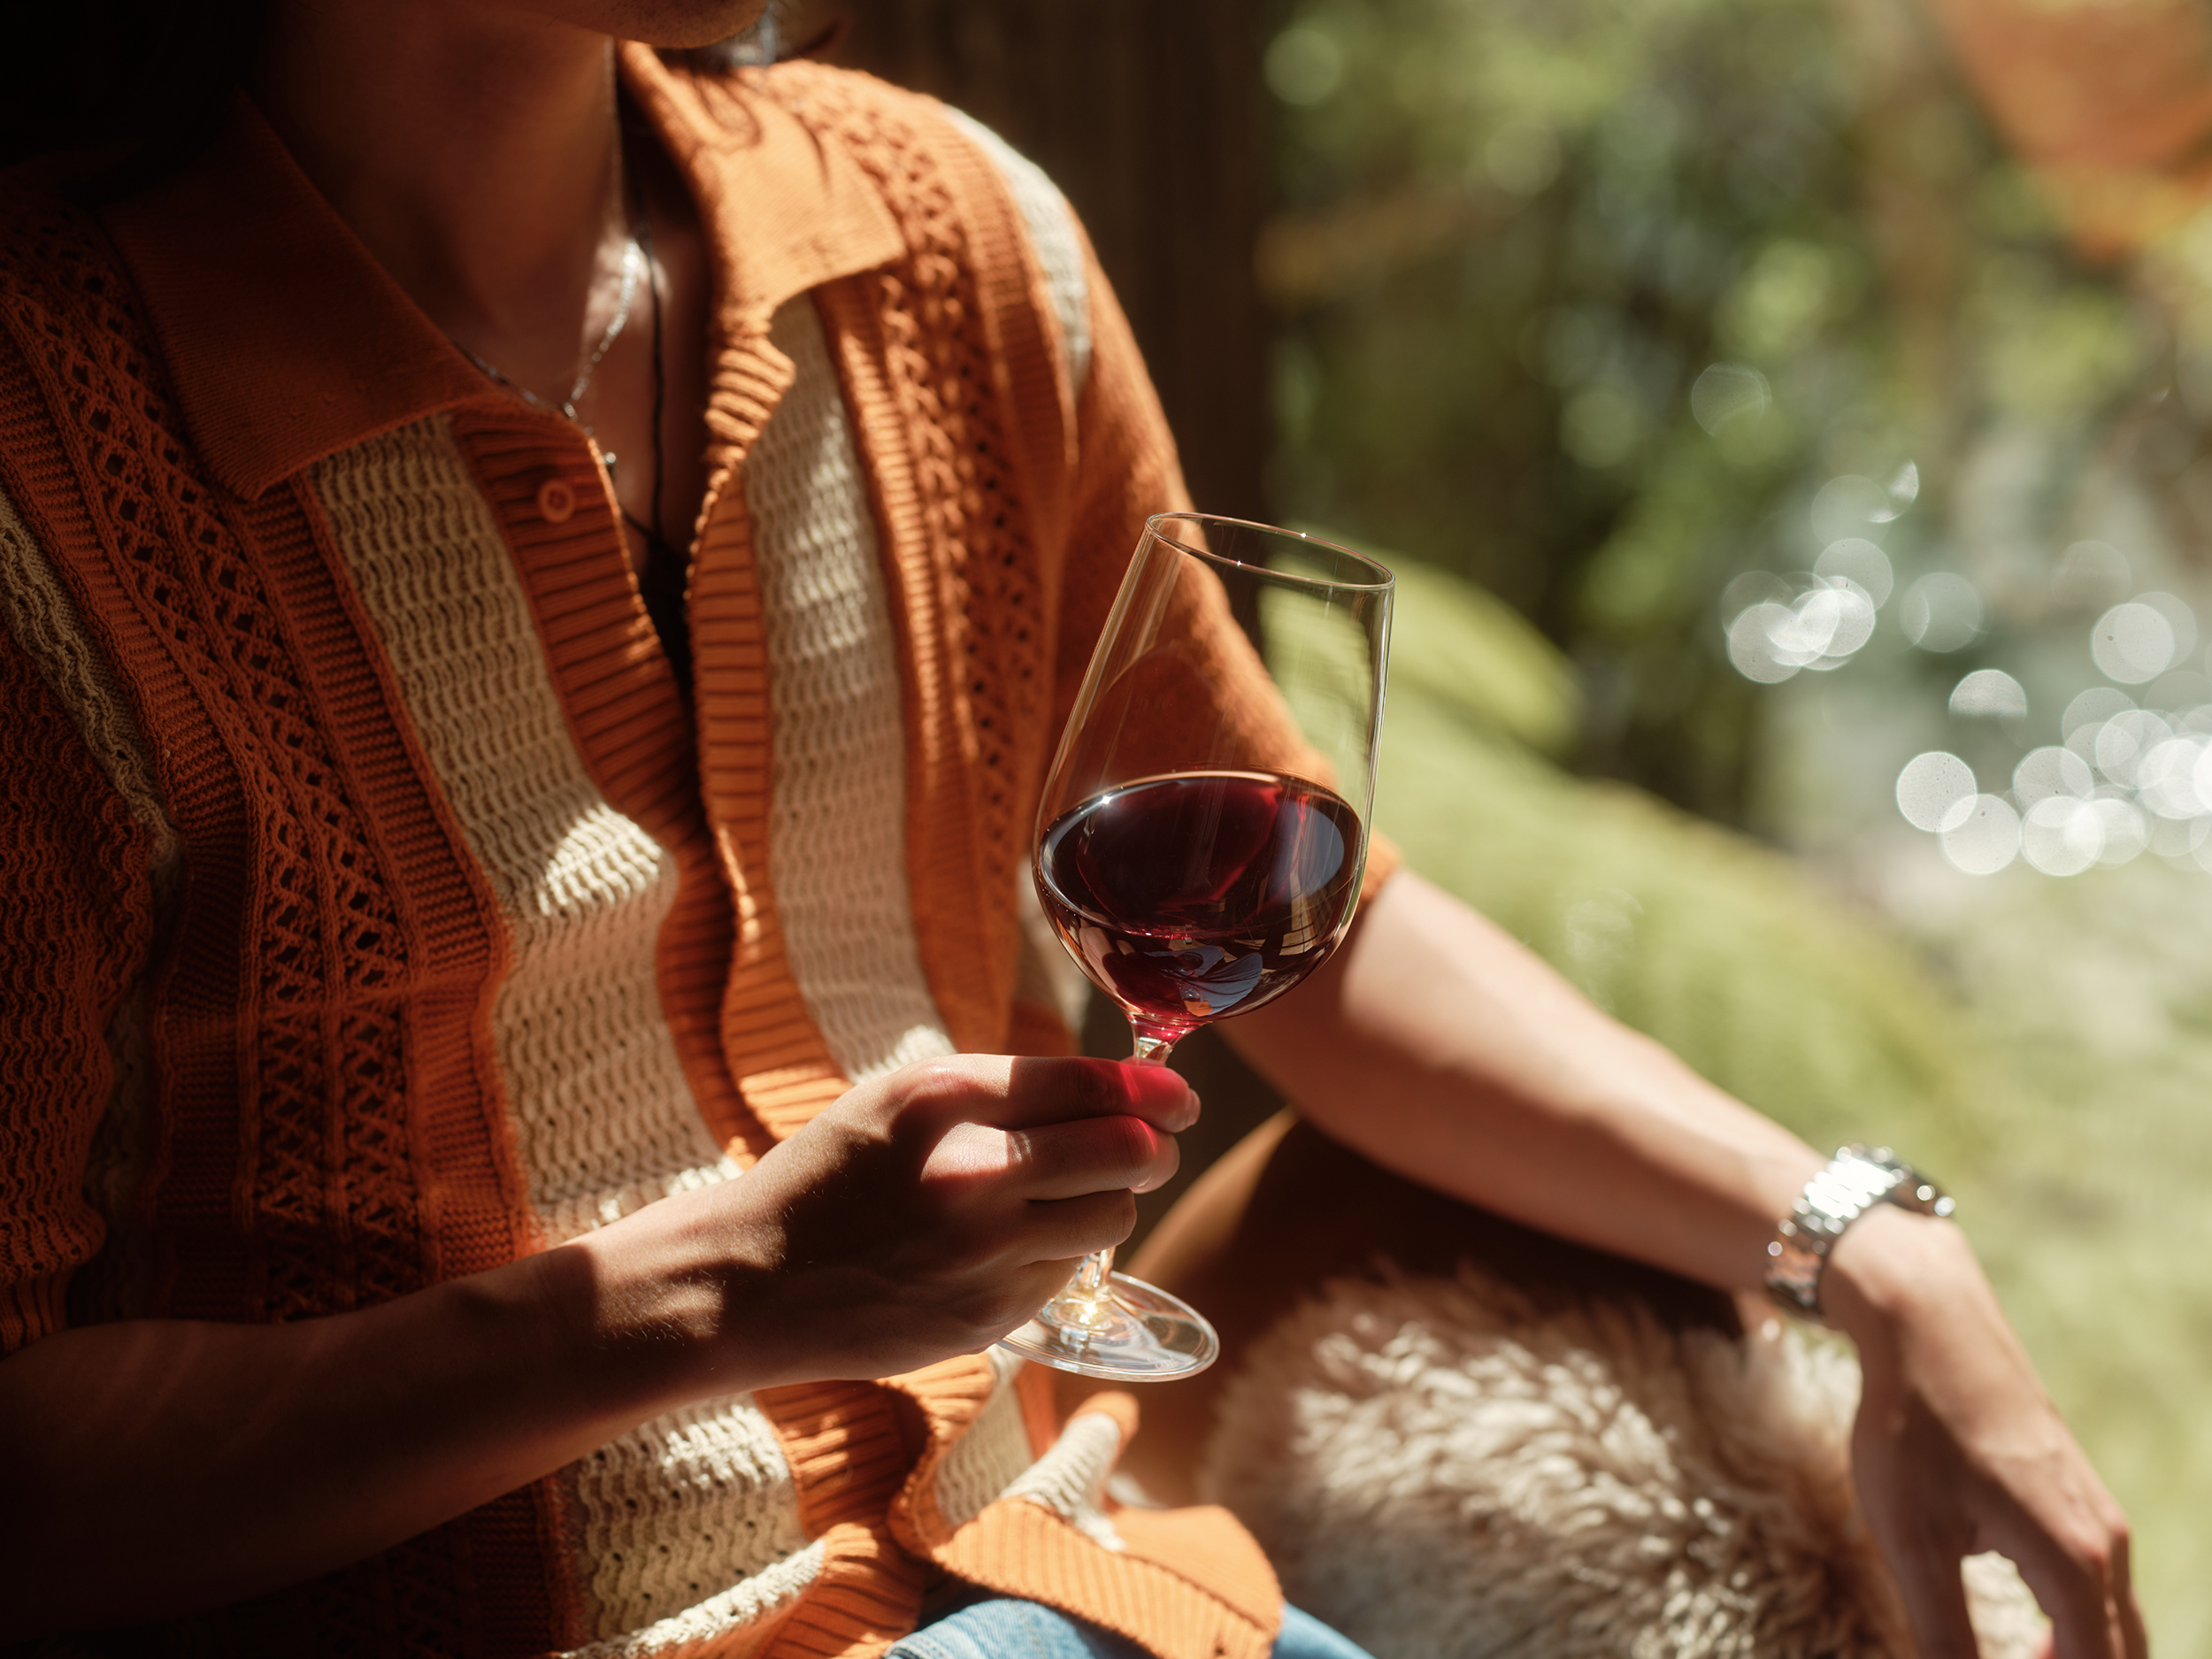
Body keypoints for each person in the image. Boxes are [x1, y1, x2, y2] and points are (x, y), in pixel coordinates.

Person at [0, 3, 2143, 1656]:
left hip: (1080, 1581)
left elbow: (1322, 930)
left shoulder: (945, 245)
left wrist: (1856, 1237)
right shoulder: (45, 463)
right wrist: (715, 1297)